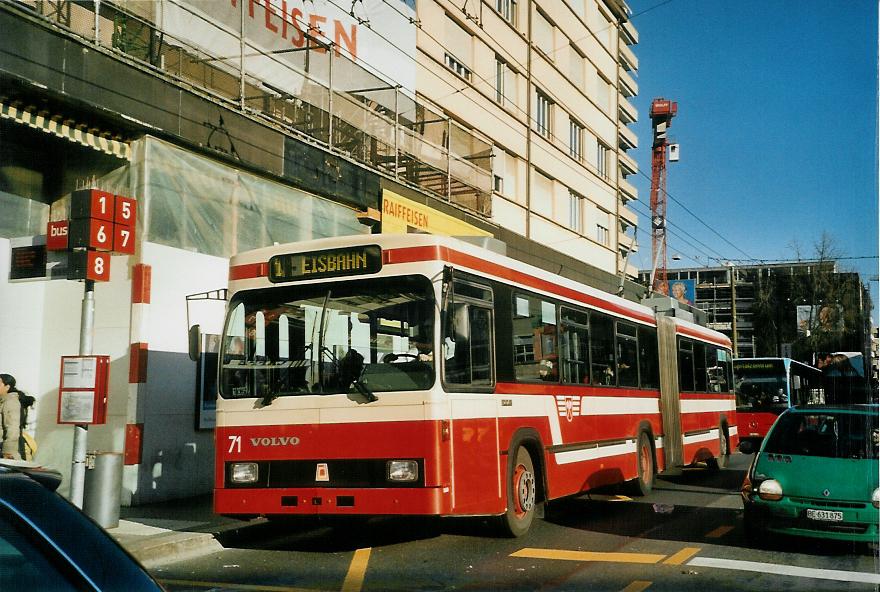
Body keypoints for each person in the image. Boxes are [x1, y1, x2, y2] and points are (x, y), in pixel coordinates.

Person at [0, 374, 22, 460]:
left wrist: (8, 451)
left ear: (7, 387)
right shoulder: (3, 401)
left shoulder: (11, 402)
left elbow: (13, 428)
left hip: (3, 450)